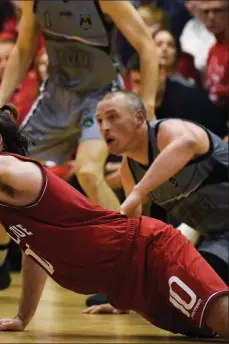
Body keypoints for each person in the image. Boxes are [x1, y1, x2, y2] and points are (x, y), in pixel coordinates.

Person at [0, 104, 229, 339]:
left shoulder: (12, 167)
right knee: (208, 332)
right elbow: (34, 251)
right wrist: (23, 318)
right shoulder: (0, 196)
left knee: (222, 318)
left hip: (151, 255)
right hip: (131, 289)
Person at [0, 0, 161, 297]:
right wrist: (0, 100)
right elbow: (23, 49)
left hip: (99, 96)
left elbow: (147, 46)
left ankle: (131, 267)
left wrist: (147, 103)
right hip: (56, 97)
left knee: (87, 172)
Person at [83, 90, 228, 313]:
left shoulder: (168, 130)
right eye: (100, 121)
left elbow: (188, 142)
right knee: (185, 292)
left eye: (113, 117)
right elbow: (136, 241)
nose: (104, 127)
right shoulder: (129, 170)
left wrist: (139, 191)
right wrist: (123, 299)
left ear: (140, 117)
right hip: (219, 237)